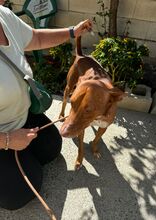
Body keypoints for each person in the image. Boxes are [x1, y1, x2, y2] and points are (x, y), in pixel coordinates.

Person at [0, 5, 92, 210]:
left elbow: (36, 38)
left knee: (51, 147)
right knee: (18, 193)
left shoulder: (3, 14)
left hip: (20, 115)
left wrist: (72, 32)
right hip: (2, 132)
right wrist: (7, 139)